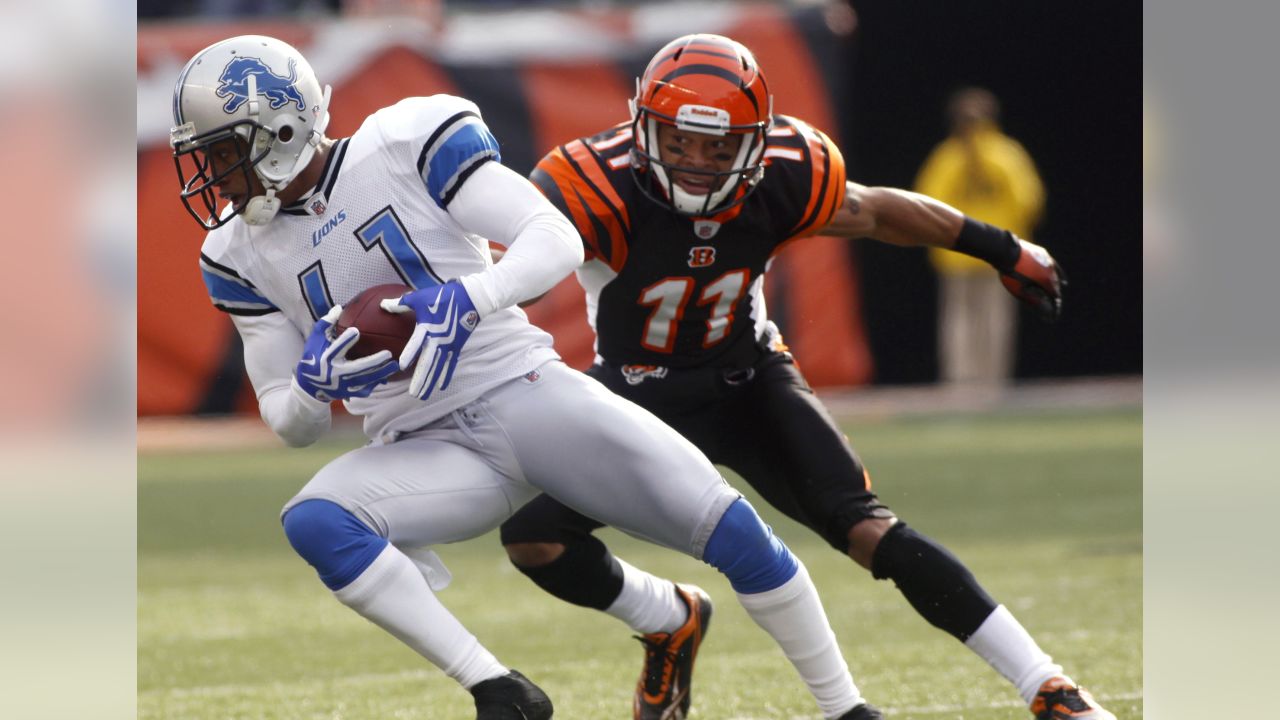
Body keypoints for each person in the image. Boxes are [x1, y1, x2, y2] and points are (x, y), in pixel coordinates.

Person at [170, 34, 887, 720]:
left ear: (284, 130)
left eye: (223, 153)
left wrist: (468, 298)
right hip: (426, 448)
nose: (212, 176)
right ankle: (499, 690)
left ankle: (846, 707)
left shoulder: (405, 140)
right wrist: (310, 383)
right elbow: (287, 423)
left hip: (522, 395)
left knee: (736, 537)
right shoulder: (233, 254)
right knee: (317, 521)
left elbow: (555, 238)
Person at [500, 34, 1113, 720]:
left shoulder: (790, 173)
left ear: (755, 146)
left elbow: (876, 211)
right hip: (639, 399)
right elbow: (504, 272)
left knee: (869, 531)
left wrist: (1001, 247)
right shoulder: (591, 185)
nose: (698, 163)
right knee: (533, 538)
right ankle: (668, 619)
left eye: (719, 146)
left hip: (748, 381)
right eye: (678, 142)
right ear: (643, 127)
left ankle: (1048, 686)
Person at [915, 87, 1047, 388]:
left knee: (959, 319)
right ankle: (992, 382)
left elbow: (924, 205)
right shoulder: (1006, 154)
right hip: (1000, 252)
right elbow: (1030, 201)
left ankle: (961, 383)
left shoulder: (946, 158)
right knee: (995, 318)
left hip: (957, 252)